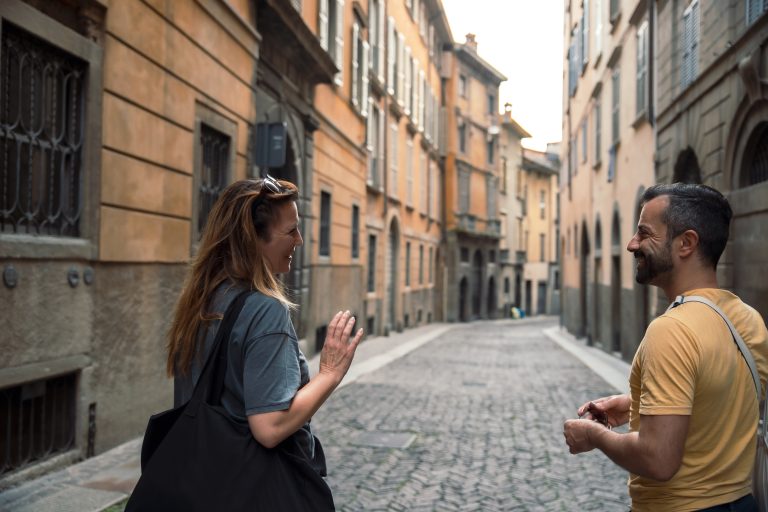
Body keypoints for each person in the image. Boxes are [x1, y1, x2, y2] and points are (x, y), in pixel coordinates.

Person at [563, 183, 768, 511]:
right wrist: (637, 403)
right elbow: (722, 394)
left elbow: (658, 459)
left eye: (644, 233)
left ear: (686, 243)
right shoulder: (749, 319)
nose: (632, 244)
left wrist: (593, 436)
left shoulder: (670, 330)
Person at [166, 176, 362, 488]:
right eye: (290, 230)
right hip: (252, 488)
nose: (298, 239)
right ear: (253, 239)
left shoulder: (203, 298)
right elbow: (269, 427)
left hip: (201, 480)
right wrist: (329, 374)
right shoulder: (264, 311)